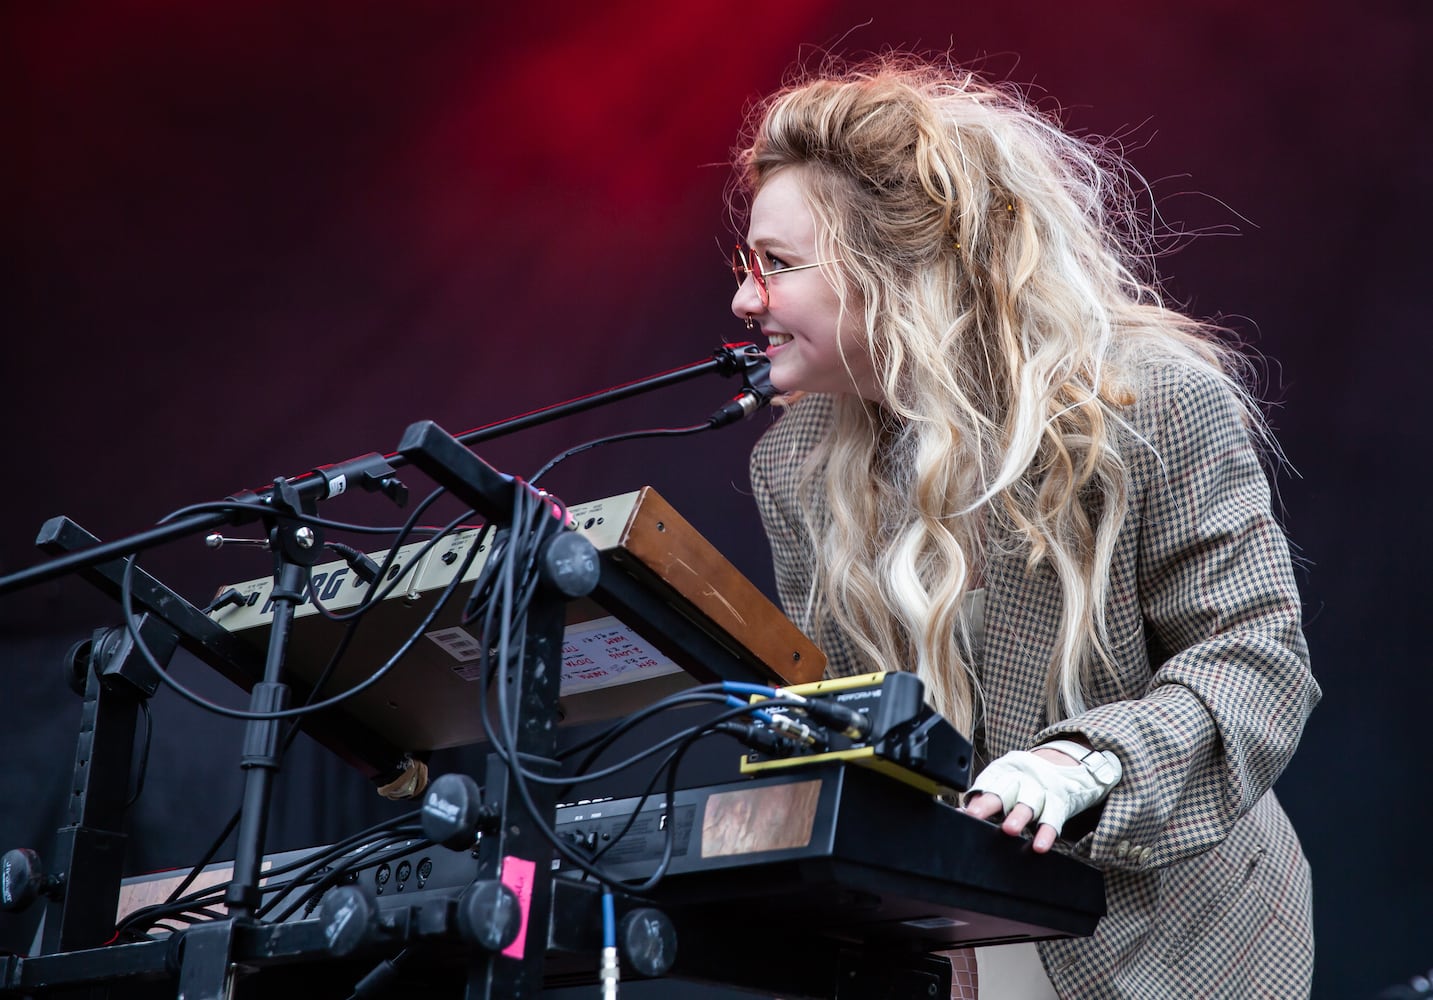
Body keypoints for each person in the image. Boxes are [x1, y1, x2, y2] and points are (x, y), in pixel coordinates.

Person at [728, 55, 1320, 999]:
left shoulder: (1152, 400)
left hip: (1169, 949)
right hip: (939, 946)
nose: (744, 299)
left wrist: (1083, 764)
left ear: (899, 266)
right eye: (745, 265)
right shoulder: (792, 461)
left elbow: (1255, 660)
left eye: (778, 266)